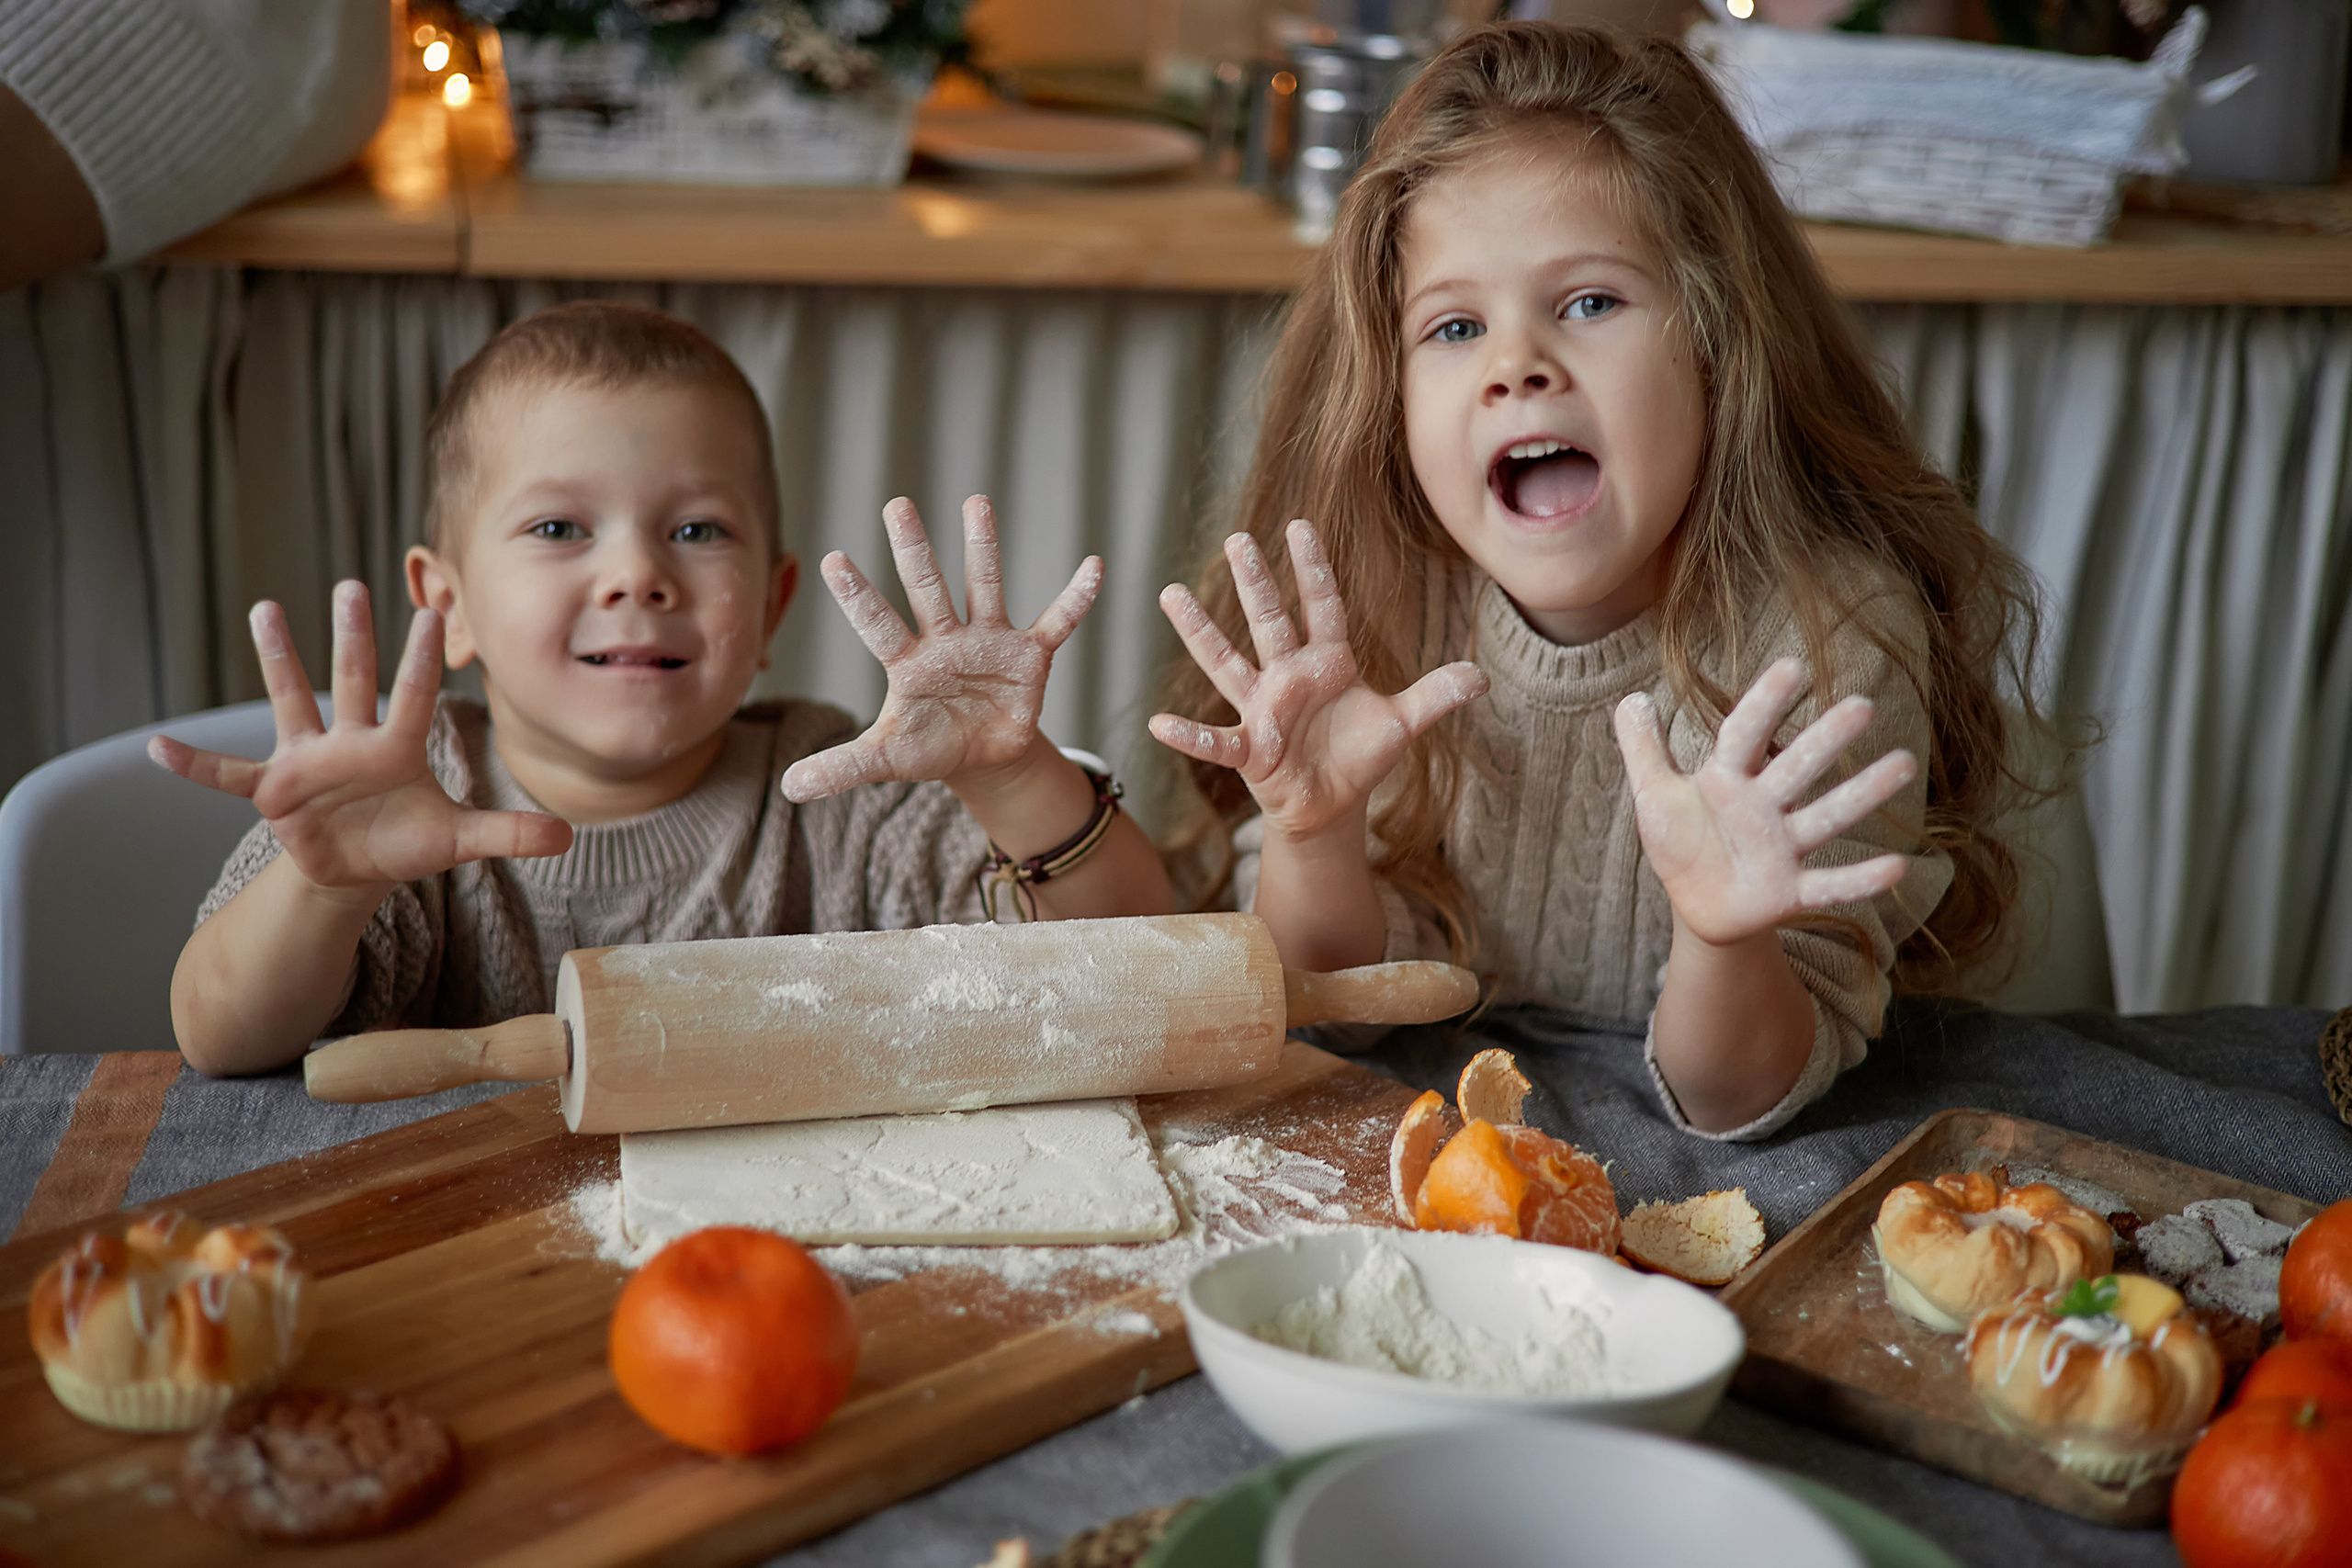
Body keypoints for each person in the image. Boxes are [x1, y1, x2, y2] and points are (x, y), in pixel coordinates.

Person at [1150, 22, 2053, 1140]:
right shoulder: (1380, 597)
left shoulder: (1826, 637)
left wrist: (1724, 937)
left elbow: (1740, 1101)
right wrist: (1313, 835)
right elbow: (1330, 1010)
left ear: (1720, 342)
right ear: (1387, 387)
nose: (1515, 363)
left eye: (1588, 302)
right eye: (1455, 325)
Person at [158, 300, 1170, 1077]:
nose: (636, 574)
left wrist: (1012, 776)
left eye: (697, 531)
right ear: (450, 604)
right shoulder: (394, 807)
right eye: (559, 529)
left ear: (772, 607)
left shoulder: (840, 799)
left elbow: (1133, 969)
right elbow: (218, 1037)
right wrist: (327, 890)